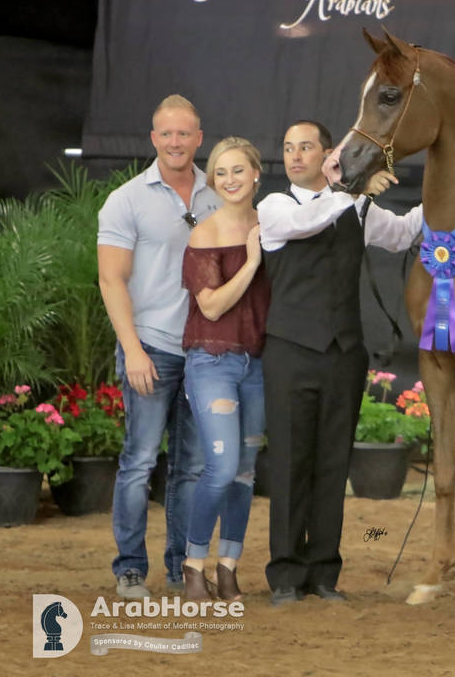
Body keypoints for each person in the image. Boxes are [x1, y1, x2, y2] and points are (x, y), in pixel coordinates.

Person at [257, 120, 423, 604]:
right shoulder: (274, 206)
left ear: (328, 153)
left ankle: (323, 572)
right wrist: (349, 189)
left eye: (305, 146)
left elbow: (405, 233)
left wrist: (448, 190)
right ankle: (286, 575)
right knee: (289, 464)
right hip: (289, 352)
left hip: (344, 355)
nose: (294, 156)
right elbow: (306, 223)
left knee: (333, 465)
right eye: (288, 148)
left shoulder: (356, 208)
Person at [97, 94, 218, 597]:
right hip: (151, 348)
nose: (175, 142)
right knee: (140, 462)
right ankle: (129, 568)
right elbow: (110, 279)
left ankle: (180, 568)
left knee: (191, 468)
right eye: (166, 134)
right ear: (153, 139)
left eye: (184, 133)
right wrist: (134, 349)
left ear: (199, 138)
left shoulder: (220, 194)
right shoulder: (127, 199)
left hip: (205, 355)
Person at [179, 137, 270, 601]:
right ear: (212, 181)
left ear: (256, 173)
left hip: (256, 363)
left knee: (245, 473)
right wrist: (253, 262)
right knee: (221, 466)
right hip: (211, 359)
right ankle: (193, 566)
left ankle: (229, 565)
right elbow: (211, 307)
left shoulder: (273, 223)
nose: (230, 179)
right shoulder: (206, 233)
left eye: (238, 170)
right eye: (221, 172)